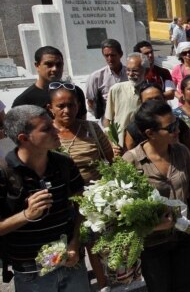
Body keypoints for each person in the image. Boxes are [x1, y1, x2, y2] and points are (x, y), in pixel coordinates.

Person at [0, 105, 90, 291]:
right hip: (32, 274)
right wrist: (26, 215)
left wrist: (75, 242)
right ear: (24, 139)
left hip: (71, 264)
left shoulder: (64, 163)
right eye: (46, 128)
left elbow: (82, 206)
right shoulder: (4, 173)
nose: (56, 130)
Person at [123, 100, 190, 292]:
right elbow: (123, 212)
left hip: (184, 237)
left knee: (184, 287)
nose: (178, 130)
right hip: (153, 245)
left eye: (177, 124)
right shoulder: (131, 161)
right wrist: (154, 225)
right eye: (171, 127)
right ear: (150, 133)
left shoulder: (182, 152)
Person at [48, 84, 114, 290]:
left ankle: (104, 285)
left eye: (72, 105)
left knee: (97, 246)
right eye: (61, 106)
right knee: (70, 250)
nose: (67, 110)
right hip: (63, 203)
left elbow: (109, 158)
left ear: (79, 106)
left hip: (95, 199)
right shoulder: (46, 133)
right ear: (50, 108)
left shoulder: (91, 129)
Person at [123, 82, 190, 161]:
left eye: (157, 98)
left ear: (164, 99)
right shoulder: (133, 129)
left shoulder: (178, 124)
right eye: (149, 100)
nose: (154, 102)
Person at [12, 46, 88, 119]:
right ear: (37, 65)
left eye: (59, 65)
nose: (55, 69)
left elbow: (82, 125)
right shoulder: (24, 101)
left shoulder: (75, 92)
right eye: (49, 64)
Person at [104, 52, 149, 146]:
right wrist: (112, 142)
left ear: (146, 71)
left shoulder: (152, 92)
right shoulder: (116, 90)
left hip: (147, 145)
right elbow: (108, 120)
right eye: (128, 70)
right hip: (122, 146)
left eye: (135, 70)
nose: (131, 74)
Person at [86, 39, 128, 122]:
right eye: (106, 55)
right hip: (108, 122)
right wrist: (103, 118)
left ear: (121, 54)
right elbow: (90, 102)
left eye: (113, 55)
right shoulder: (96, 77)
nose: (110, 59)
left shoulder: (130, 74)